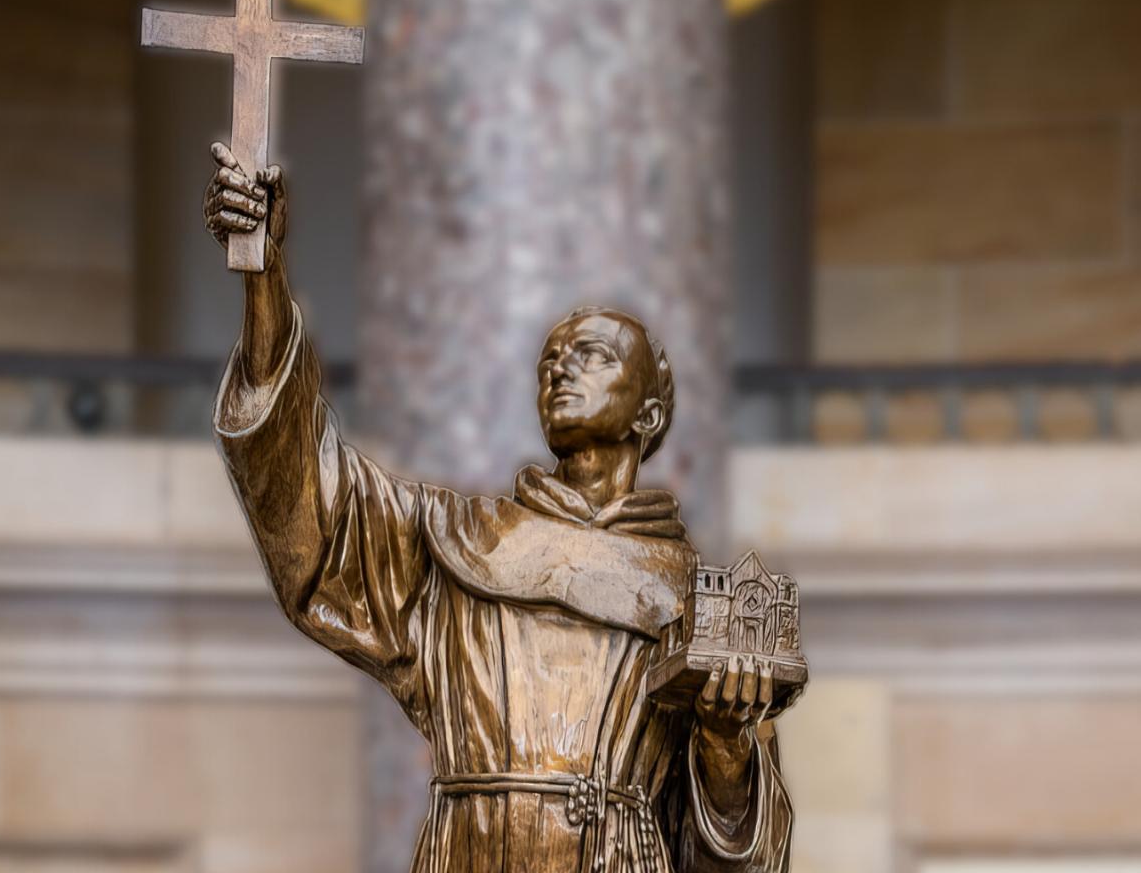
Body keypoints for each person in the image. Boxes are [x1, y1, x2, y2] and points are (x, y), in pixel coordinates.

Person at [203, 143, 795, 872]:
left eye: (594, 356)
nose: (560, 367)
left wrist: (726, 745)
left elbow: (750, 857)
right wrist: (264, 280)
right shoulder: (455, 541)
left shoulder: (700, 605)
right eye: (551, 359)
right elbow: (307, 496)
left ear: (647, 417)